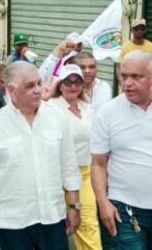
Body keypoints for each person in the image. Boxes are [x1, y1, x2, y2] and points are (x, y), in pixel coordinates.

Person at [0, 62, 81, 250]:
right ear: (11, 89)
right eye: (30, 86)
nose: (38, 90)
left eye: (39, 83)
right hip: (13, 221)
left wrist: (74, 207)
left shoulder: (56, 117)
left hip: (52, 216)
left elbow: (69, 166)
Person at [90, 50, 152, 250]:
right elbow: (98, 163)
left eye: (135, 77)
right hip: (123, 210)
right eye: (123, 76)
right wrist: (103, 203)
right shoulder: (107, 112)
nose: (127, 83)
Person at [46, 65, 101, 250]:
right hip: (56, 177)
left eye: (77, 81)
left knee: (88, 225)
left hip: (85, 175)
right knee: (54, 230)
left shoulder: (87, 108)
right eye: (67, 82)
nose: (72, 86)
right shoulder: (50, 108)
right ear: (60, 85)